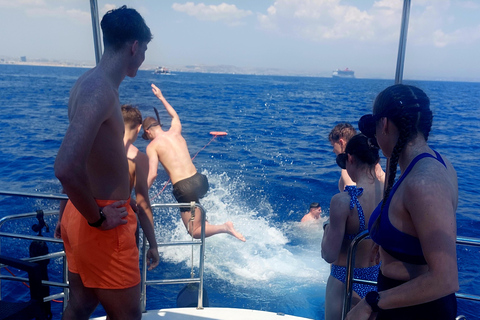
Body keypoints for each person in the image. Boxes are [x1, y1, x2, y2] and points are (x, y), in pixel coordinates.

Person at [53, 6, 152, 320]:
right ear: (134, 46)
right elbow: (66, 167)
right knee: (128, 316)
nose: (144, 56)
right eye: (145, 49)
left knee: (81, 305)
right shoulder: (100, 91)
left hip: (79, 213)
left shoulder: (86, 83)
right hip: (104, 223)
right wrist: (97, 219)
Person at [346, 84, 459, 320]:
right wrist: (387, 242)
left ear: (385, 125)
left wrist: (371, 302)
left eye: (375, 128)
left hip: (415, 311)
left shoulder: (423, 183)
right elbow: (414, 229)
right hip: (401, 301)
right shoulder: (438, 163)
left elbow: (445, 279)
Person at [143, 83, 246, 242]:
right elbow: (174, 116)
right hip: (200, 181)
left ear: (147, 132)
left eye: (146, 136)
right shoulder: (175, 131)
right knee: (197, 209)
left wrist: (142, 195)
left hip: (185, 188)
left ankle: (224, 227)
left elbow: (153, 174)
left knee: (194, 231)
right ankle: (206, 223)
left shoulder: (152, 146)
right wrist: (161, 97)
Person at [321, 134, 383, 320]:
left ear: (350, 159)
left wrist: (326, 228)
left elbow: (329, 254)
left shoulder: (344, 201)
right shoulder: (389, 194)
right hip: (377, 281)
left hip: (344, 282)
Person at [122, 104, 160, 271]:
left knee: (81, 293)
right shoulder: (137, 157)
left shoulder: (94, 146)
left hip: (81, 223)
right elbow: (143, 206)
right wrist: (153, 245)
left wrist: (61, 220)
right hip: (119, 226)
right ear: (139, 128)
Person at [329, 123, 385, 192]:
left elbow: (353, 196)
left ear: (341, 142)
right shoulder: (373, 164)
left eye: (333, 146)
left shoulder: (349, 169)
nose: (333, 150)